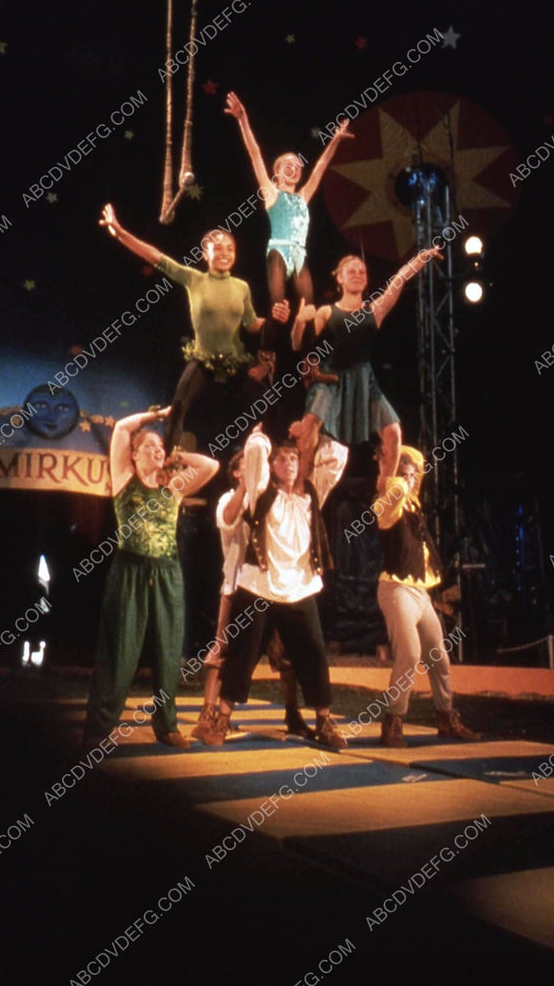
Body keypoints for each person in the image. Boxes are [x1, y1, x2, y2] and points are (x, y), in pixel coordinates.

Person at [99, 204, 289, 452]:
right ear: (205, 255)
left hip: (236, 363)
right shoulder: (194, 279)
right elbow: (156, 257)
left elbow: (252, 325)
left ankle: (279, 457)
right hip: (203, 361)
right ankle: (167, 461)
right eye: (217, 248)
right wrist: (120, 232)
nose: (224, 253)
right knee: (178, 407)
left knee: (270, 404)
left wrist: (276, 319)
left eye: (230, 248)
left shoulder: (241, 287)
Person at [203, 426, 348, 749]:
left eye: (294, 458)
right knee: (242, 656)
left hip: (300, 588)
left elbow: (337, 456)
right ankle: (221, 720)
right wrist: (260, 435)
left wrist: (309, 434)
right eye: (281, 459)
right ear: (272, 465)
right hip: (259, 587)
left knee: (314, 654)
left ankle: (324, 720)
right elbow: (255, 454)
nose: (289, 464)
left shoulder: (312, 492)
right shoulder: (261, 491)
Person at [84, 407, 219, 749]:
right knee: (120, 651)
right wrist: (157, 415)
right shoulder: (124, 478)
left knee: (168, 651)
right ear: (134, 454)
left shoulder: (173, 488)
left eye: (160, 447)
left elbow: (210, 466)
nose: (157, 451)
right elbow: (121, 429)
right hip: (130, 571)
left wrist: (177, 456)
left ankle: (167, 725)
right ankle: (99, 727)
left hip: (167, 572)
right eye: (150, 446)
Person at [224, 91, 353, 376]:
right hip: (279, 251)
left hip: (300, 254)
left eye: (297, 165)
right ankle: (265, 359)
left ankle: (311, 364)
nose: (293, 168)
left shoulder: (303, 196)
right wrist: (243, 120)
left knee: (308, 307)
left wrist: (334, 140)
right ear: (277, 173)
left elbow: (321, 167)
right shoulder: (272, 194)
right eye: (287, 165)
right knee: (278, 304)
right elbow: (255, 154)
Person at [192, 449, 313, 740]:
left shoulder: (271, 498)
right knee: (223, 650)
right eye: (249, 466)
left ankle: (292, 713)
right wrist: (246, 486)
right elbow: (228, 519)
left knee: (284, 654)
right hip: (236, 587)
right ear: (237, 473)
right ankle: (207, 715)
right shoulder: (229, 499)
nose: (258, 469)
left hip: (269, 588)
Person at [290, 250, 442, 478]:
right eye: (351, 271)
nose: (358, 275)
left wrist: (422, 257)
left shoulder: (375, 310)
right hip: (331, 378)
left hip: (363, 379)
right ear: (339, 278)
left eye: (362, 272)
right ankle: (300, 484)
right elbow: (296, 345)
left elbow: (399, 279)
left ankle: (386, 488)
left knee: (393, 432)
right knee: (310, 424)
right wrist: (300, 322)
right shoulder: (326, 312)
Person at [373, 446, 479, 747]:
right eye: (404, 475)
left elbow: (418, 466)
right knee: (409, 653)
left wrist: (399, 454)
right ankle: (393, 722)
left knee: (439, 657)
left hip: (419, 593)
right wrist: (389, 461)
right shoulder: (386, 506)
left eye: (413, 476)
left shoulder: (413, 506)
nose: (411, 480)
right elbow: (395, 487)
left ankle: (446, 718)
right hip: (396, 589)